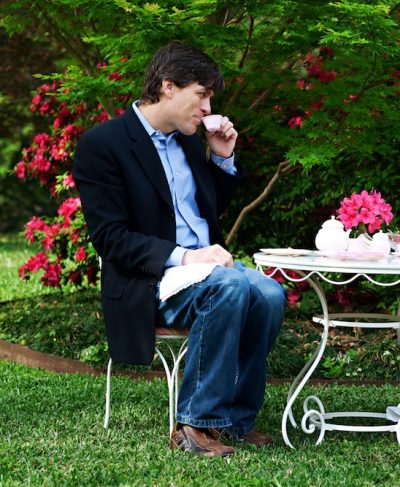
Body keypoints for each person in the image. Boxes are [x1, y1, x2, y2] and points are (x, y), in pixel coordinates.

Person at [73, 42, 286, 457]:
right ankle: (195, 424)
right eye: (202, 94)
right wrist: (186, 256)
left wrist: (223, 161)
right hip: (150, 279)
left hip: (206, 272)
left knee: (270, 293)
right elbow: (110, 238)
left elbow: (200, 212)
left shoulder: (189, 141)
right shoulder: (104, 144)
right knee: (229, 288)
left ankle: (237, 422)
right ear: (168, 87)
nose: (208, 107)